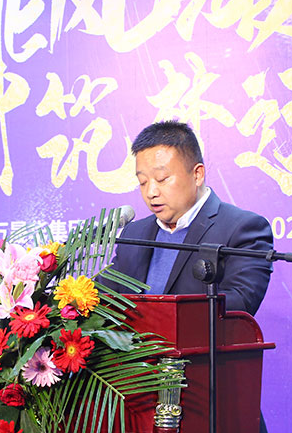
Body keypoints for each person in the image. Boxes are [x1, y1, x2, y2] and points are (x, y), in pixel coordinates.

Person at [107, 120, 273, 313]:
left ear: (197, 174)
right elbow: (105, 297)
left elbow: (240, 302)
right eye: (143, 182)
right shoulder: (134, 234)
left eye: (162, 179)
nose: (151, 192)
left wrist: (165, 317)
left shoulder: (243, 229)